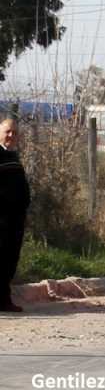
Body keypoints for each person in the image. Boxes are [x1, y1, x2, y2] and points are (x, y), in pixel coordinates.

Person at [0, 118, 29, 312]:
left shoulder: (13, 156)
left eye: (14, 132)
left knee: (9, 260)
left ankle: (3, 300)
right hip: (1, 219)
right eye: (7, 131)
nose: (11, 135)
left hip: (15, 220)